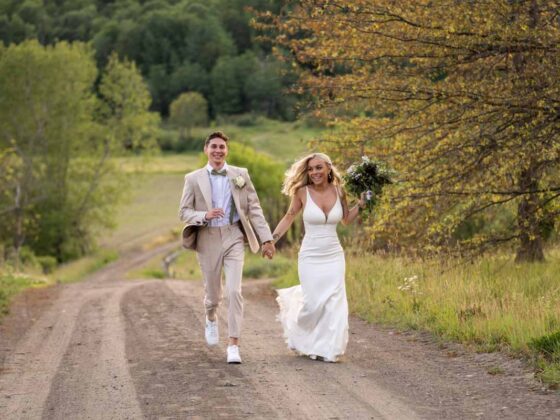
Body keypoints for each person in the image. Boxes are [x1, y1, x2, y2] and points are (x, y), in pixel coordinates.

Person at [179, 131, 276, 364]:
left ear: (227, 150)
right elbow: (183, 212)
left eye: (222, 147)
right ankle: (211, 317)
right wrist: (205, 214)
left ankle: (234, 344)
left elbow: (254, 209)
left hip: (233, 235)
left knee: (234, 291)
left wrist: (267, 239)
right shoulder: (193, 178)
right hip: (207, 237)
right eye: (213, 146)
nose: (218, 150)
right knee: (213, 296)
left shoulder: (240, 175)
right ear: (206, 149)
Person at [271, 153, 365, 362]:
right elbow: (288, 217)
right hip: (310, 256)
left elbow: (346, 220)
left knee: (334, 303)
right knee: (313, 304)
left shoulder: (340, 192)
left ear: (329, 168)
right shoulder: (302, 192)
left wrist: (362, 204)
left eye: (318, 168)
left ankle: (329, 349)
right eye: (311, 169)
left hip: (334, 255)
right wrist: (271, 241)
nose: (314, 172)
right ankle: (299, 328)